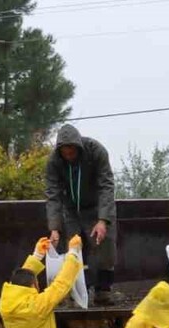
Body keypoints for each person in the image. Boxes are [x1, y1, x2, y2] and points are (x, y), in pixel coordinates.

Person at [45, 124, 117, 305]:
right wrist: (54, 228)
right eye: (65, 154)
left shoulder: (96, 151)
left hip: (96, 208)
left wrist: (103, 219)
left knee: (104, 245)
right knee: (74, 250)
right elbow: (52, 195)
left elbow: (106, 186)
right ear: (60, 151)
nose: (69, 157)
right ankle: (77, 293)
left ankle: (103, 291)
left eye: (72, 153)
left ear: (78, 148)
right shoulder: (54, 162)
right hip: (71, 211)